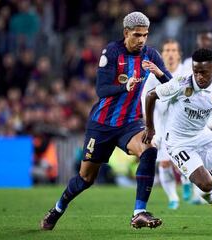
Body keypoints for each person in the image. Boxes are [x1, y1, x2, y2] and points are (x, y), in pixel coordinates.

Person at [40, 12, 172, 230]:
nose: (141, 40)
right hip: (101, 125)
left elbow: (172, 85)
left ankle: (139, 212)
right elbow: (101, 90)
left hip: (130, 123)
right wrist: (124, 86)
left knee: (149, 147)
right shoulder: (111, 53)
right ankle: (58, 208)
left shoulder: (151, 55)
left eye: (145, 35)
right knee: (85, 179)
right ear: (126, 33)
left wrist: (160, 74)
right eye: (137, 35)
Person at [143, 48, 212, 217]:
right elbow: (150, 96)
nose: (199, 77)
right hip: (178, 142)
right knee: (206, 184)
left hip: (202, 136)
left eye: (203, 72)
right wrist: (150, 128)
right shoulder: (182, 83)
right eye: (196, 72)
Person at [141, 39, 190, 210]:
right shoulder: (154, 73)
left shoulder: (186, 72)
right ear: (162, 53)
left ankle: (185, 180)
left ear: (179, 54)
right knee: (163, 163)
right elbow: (145, 96)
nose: (170, 53)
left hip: (182, 123)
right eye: (167, 50)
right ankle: (173, 197)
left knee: (180, 161)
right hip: (160, 123)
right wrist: (147, 120)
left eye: (173, 50)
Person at [183, 30, 212, 204]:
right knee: (196, 156)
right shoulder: (188, 63)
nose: (205, 42)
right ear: (198, 40)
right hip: (194, 117)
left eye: (208, 39)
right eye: (203, 39)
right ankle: (199, 194)